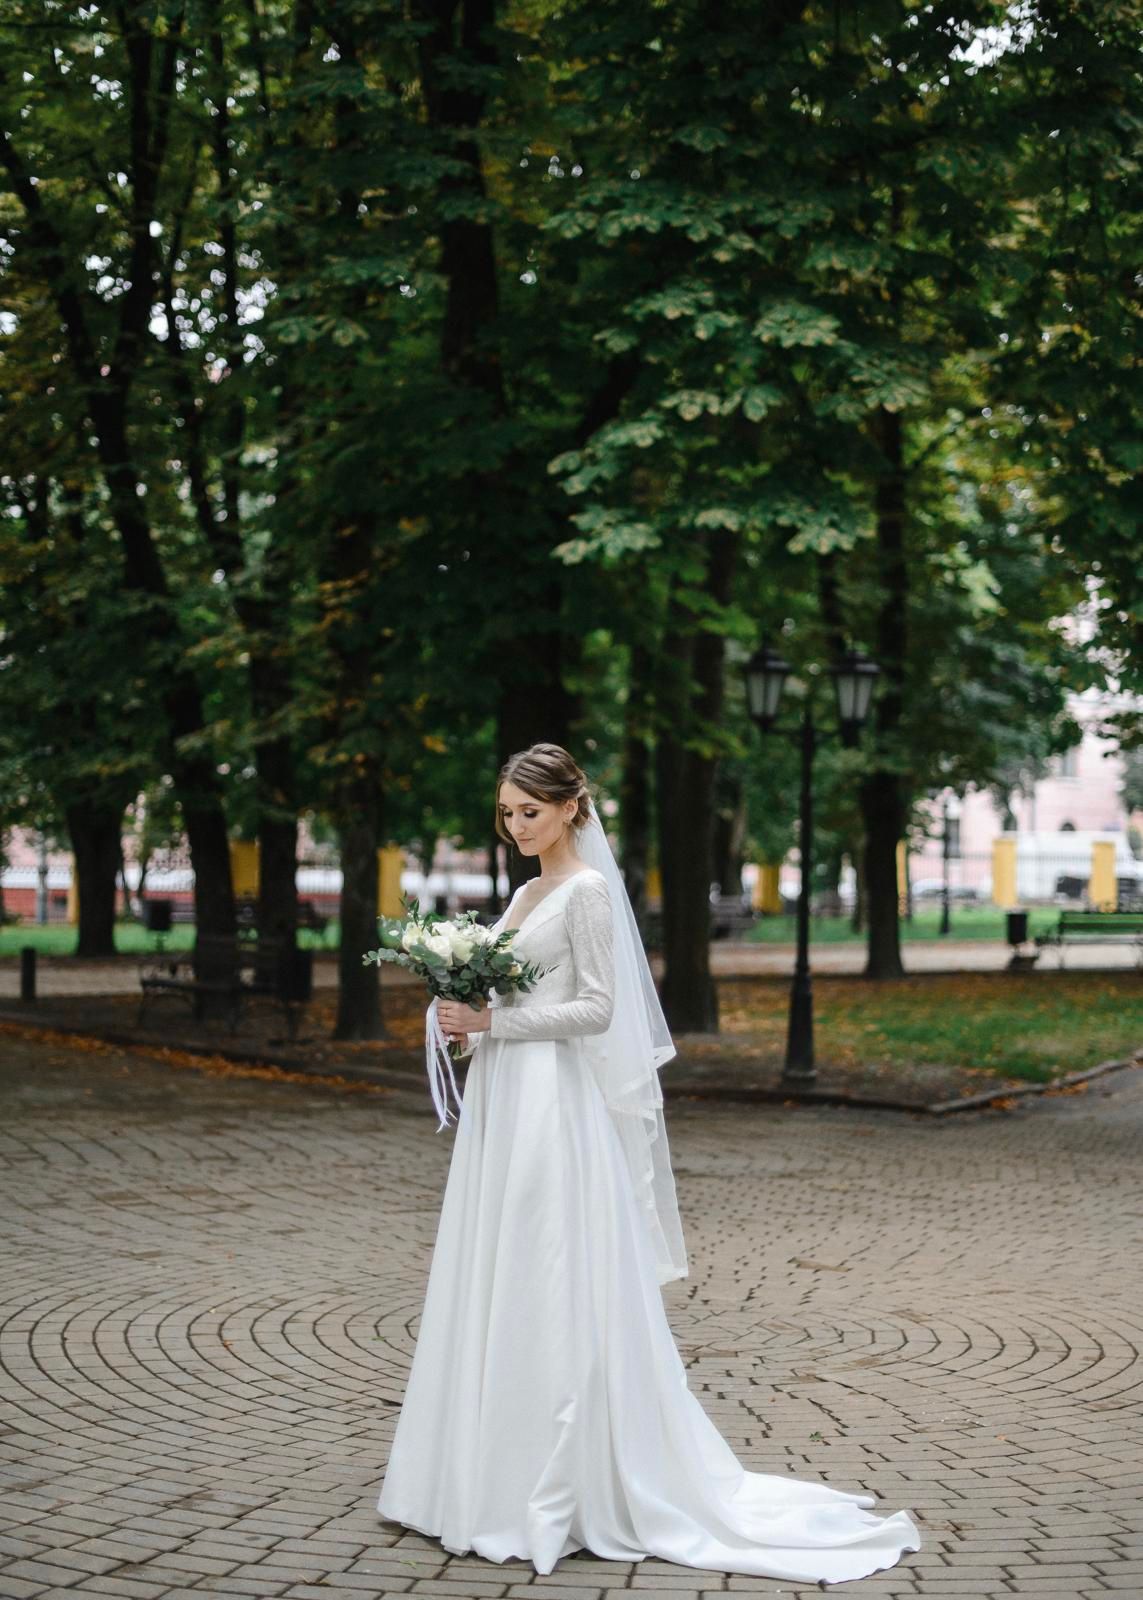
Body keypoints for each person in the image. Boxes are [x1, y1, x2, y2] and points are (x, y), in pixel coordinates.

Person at [376, 742, 921, 1583]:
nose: (517, 826)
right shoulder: (523, 894)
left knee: (550, 1265)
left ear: (571, 808)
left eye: (531, 811)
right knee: (500, 1262)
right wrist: (467, 1013)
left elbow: (598, 1008)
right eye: (508, 813)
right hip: (505, 1100)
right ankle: (480, 1465)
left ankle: (563, 1477)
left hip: (554, 1107)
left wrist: (495, 1024)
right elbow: (518, 992)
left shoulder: (588, 893)